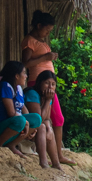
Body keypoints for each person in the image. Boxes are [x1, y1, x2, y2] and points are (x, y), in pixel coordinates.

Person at [21, 10, 74, 166]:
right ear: (38, 25)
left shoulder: (40, 41)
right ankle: (57, 156)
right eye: (47, 30)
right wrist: (45, 57)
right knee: (54, 119)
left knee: (54, 119)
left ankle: (57, 155)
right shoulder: (29, 41)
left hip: (46, 83)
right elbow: (25, 63)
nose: (47, 33)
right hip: (37, 84)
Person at [0, 61, 53, 168]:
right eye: (24, 73)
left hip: (8, 129)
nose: (26, 76)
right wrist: (26, 123)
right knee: (20, 121)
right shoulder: (5, 86)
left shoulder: (19, 89)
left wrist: (34, 127)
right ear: (16, 76)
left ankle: (10, 145)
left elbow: (25, 112)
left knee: (36, 118)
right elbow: (11, 112)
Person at [24, 70, 62, 171]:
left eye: (53, 84)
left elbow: (47, 118)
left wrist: (49, 129)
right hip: (24, 129)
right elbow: (39, 118)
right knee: (42, 127)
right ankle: (44, 162)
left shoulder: (45, 96)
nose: (50, 87)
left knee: (47, 128)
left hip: (35, 128)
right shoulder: (32, 93)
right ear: (39, 83)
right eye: (47, 83)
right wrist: (49, 100)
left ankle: (56, 164)